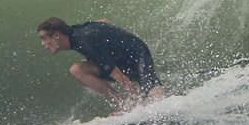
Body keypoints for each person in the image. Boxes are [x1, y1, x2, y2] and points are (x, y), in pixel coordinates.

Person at [36, 17, 165, 111]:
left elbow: (119, 76)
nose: (43, 44)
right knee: (77, 69)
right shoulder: (73, 32)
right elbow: (103, 21)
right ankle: (125, 104)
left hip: (138, 55)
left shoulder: (85, 42)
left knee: (157, 97)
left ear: (57, 34)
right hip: (118, 58)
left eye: (44, 38)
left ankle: (145, 105)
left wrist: (139, 106)